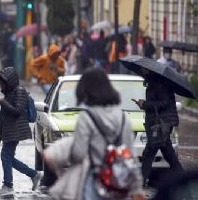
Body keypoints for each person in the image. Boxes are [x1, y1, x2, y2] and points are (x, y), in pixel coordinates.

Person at [45, 68, 145, 199]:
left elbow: (79, 153)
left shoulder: (86, 117)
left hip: (94, 183)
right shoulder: (123, 118)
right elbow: (130, 155)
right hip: (118, 183)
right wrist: (137, 188)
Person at [0, 67, 43, 196]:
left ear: (9, 81)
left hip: (15, 130)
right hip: (9, 130)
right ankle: (33, 174)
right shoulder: (8, 93)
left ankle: (8, 185)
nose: (0, 83)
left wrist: (3, 103)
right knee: (8, 157)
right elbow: (4, 116)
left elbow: (17, 111)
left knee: (5, 156)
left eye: (2, 81)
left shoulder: (19, 91)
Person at [133, 69, 183, 187]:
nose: (142, 73)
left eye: (144, 71)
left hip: (162, 123)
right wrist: (144, 104)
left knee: (149, 152)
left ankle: (141, 182)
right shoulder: (154, 83)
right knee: (168, 153)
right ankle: (182, 178)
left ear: (151, 72)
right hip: (160, 123)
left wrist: (144, 105)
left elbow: (163, 103)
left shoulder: (160, 85)